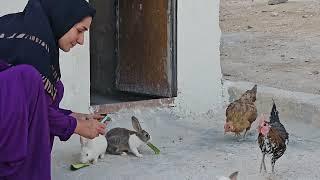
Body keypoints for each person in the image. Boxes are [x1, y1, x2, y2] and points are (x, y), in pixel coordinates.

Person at [0, 0, 106, 179]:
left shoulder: (38, 42)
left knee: (52, 86)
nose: (81, 41)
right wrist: (77, 126)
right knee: (28, 78)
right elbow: (30, 105)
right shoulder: (28, 46)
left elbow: (34, 107)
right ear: (62, 18)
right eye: (80, 31)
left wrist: (74, 116)